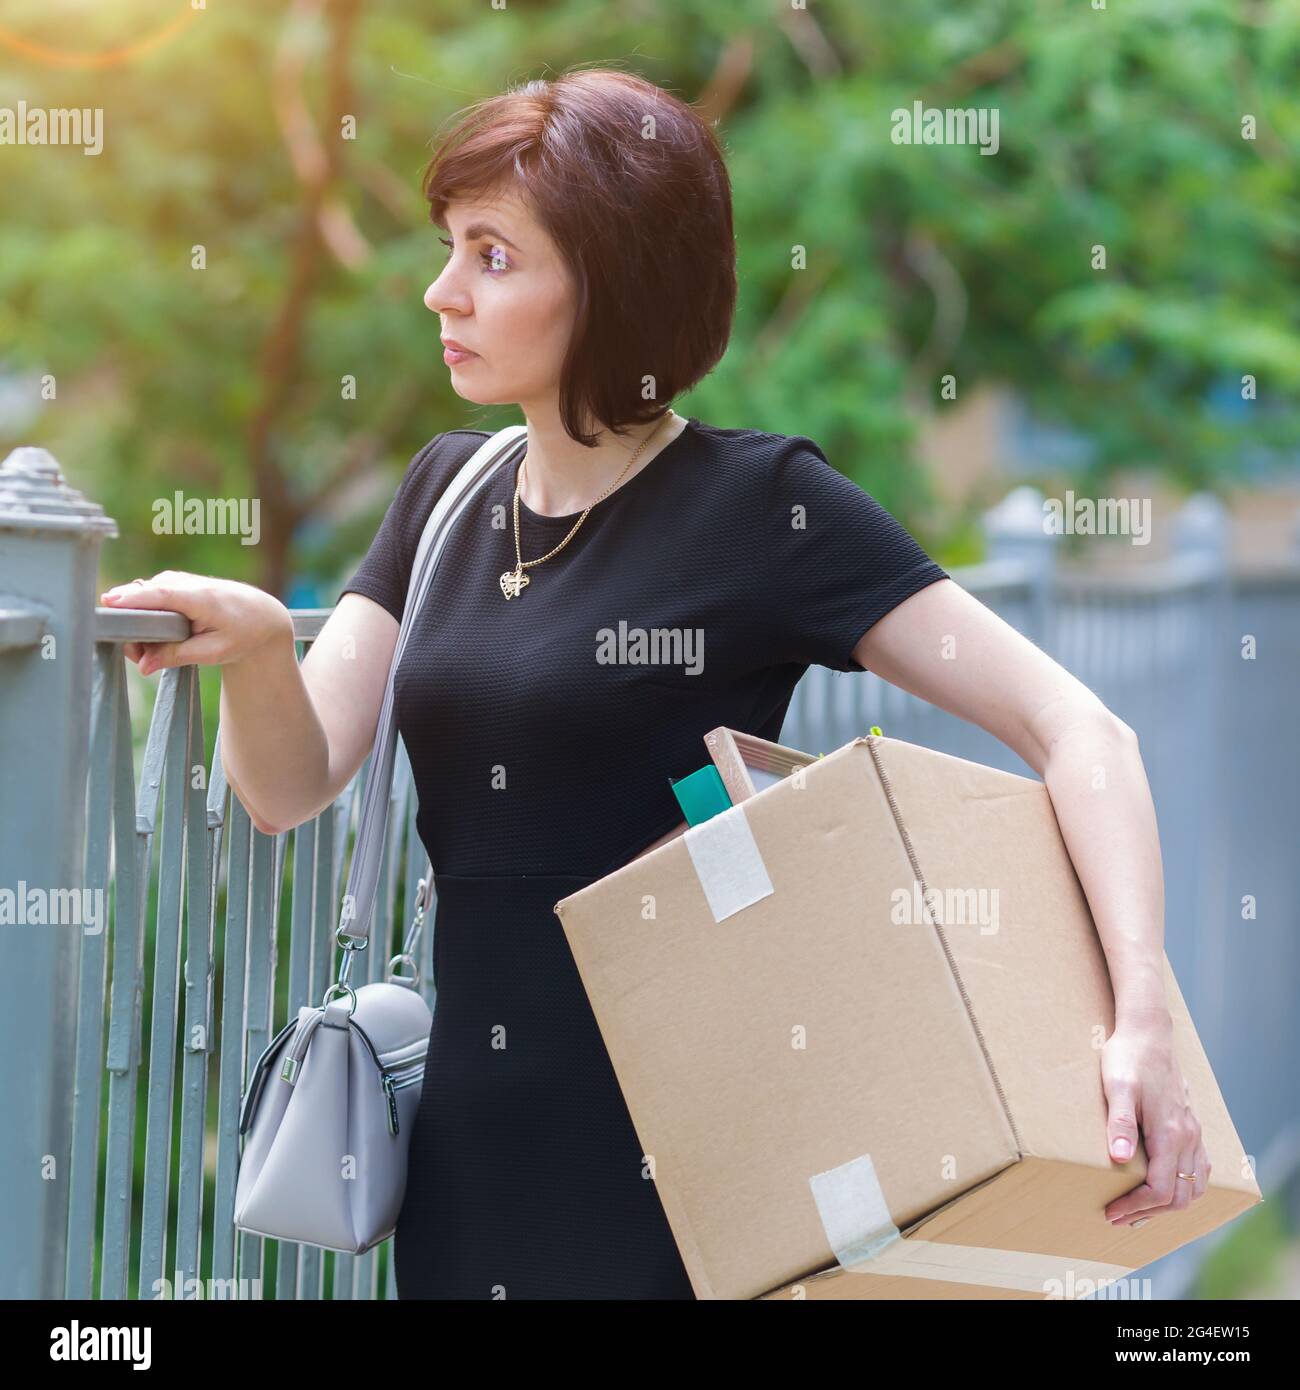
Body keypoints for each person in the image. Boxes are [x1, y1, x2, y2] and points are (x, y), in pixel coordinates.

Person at [101, 66, 1209, 1300]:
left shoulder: (763, 507)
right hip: (470, 1150)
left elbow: (1080, 728)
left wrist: (1138, 1024)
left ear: (612, 282)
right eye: (446, 248)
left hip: (694, 1168)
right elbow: (291, 783)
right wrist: (259, 646)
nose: (441, 290)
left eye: (491, 255)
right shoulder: (444, 494)